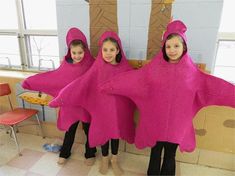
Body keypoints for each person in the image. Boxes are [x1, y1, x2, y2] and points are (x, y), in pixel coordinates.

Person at [99, 20, 235, 176]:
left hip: (177, 124)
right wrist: (108, 86)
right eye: (168, 46)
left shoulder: (193, 73)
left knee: (170, 155)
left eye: (176, 46)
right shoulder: (154, 68)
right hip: (157, 122)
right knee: (155, 153)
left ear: (184, 47)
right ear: (164, 47)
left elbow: (214, 88)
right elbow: (134, 80)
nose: (172, 50)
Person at [49, 31, 136, 176]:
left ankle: (114, 159)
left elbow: (134, 82)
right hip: (101, 110)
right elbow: (80, 83)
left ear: (118, 50)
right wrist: (60, 98)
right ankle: (104, 158)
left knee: (115, 134)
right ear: (101, 50)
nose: (108, 53)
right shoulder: (97, 67)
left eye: (112, 50)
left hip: (116, 110)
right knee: (103, 134)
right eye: (105, 49)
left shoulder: (125, 67)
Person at [22, 27, 96, 166]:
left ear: (85, 50)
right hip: (70, 106)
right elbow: (54, 78)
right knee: (70, 130)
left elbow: (99, 78)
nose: (77, 55)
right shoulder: (65, 65)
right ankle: (65, 153)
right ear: (69, 51)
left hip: (86, 105)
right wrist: (31, 82)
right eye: (74, 52)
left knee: (89, 130)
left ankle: (90, 153)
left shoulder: (91, 63)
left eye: (80, 52)